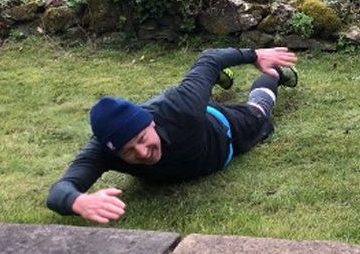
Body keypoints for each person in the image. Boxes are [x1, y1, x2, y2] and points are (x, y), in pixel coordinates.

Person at [46, 47, 298, 224]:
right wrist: (78, 202)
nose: (143, 153)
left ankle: (273, 74)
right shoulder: (103, 150)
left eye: (143, 140)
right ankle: (217, 81)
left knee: (259, 111)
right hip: (192, 116)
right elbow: (59, 191)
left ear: (151, 123)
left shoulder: (181, 106)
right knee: (201, 90)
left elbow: (209, 58)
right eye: (129, 151)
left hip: (223, 128)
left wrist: (255, 55)